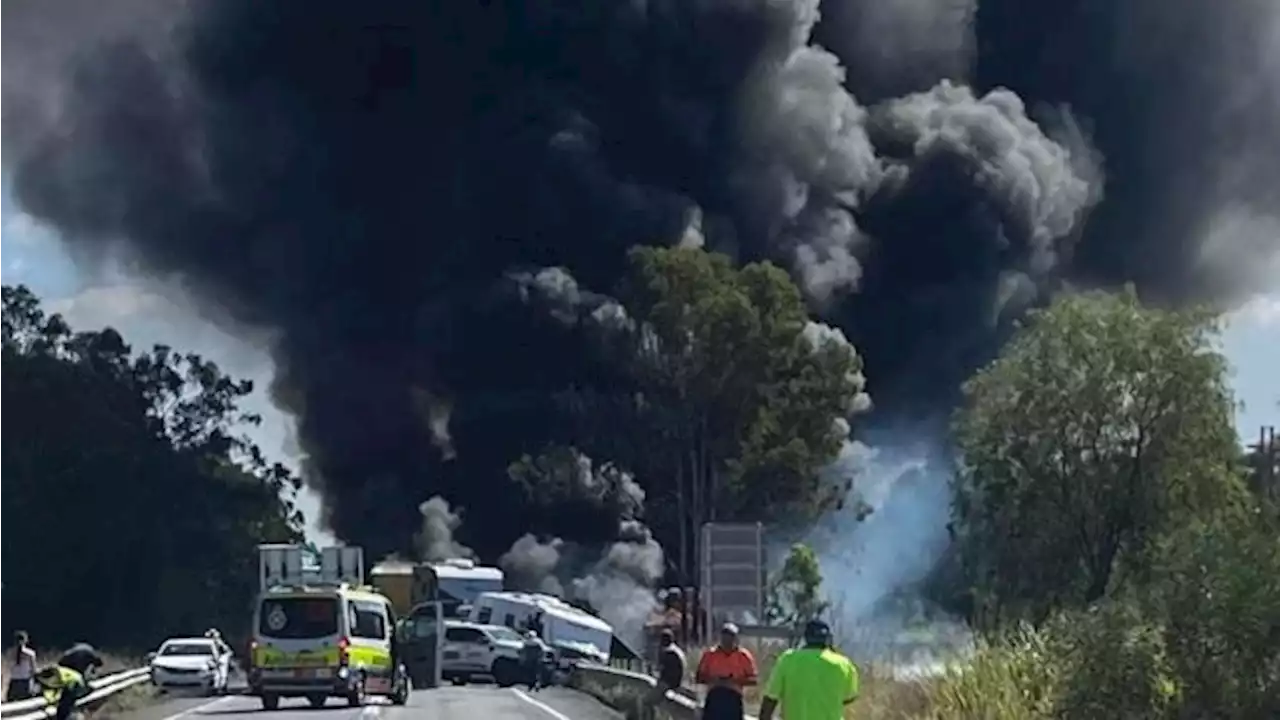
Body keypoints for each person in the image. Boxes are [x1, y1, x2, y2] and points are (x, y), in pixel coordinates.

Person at [758, 620, 859, 720]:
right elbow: (849, 698)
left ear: (806, 638)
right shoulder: (844, 664)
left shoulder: (788, 660)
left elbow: (770, 700)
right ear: (827, 639)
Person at [694, 623, 757, 720]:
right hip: (714, 697)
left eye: (731, 637)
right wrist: (714, 680)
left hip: (734, 698)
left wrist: (734, 681)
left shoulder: (743, 656)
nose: (727, 641)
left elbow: (753, 679)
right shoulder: (710, 655)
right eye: (725, 637)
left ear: (735, 639)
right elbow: (699, 677)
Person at [6, 631, 36, 701]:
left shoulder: (10, 652)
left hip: (14, 680)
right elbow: (33, 669)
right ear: (26, 641)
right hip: (25, 680)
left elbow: (9, 666)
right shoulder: (30, 654)